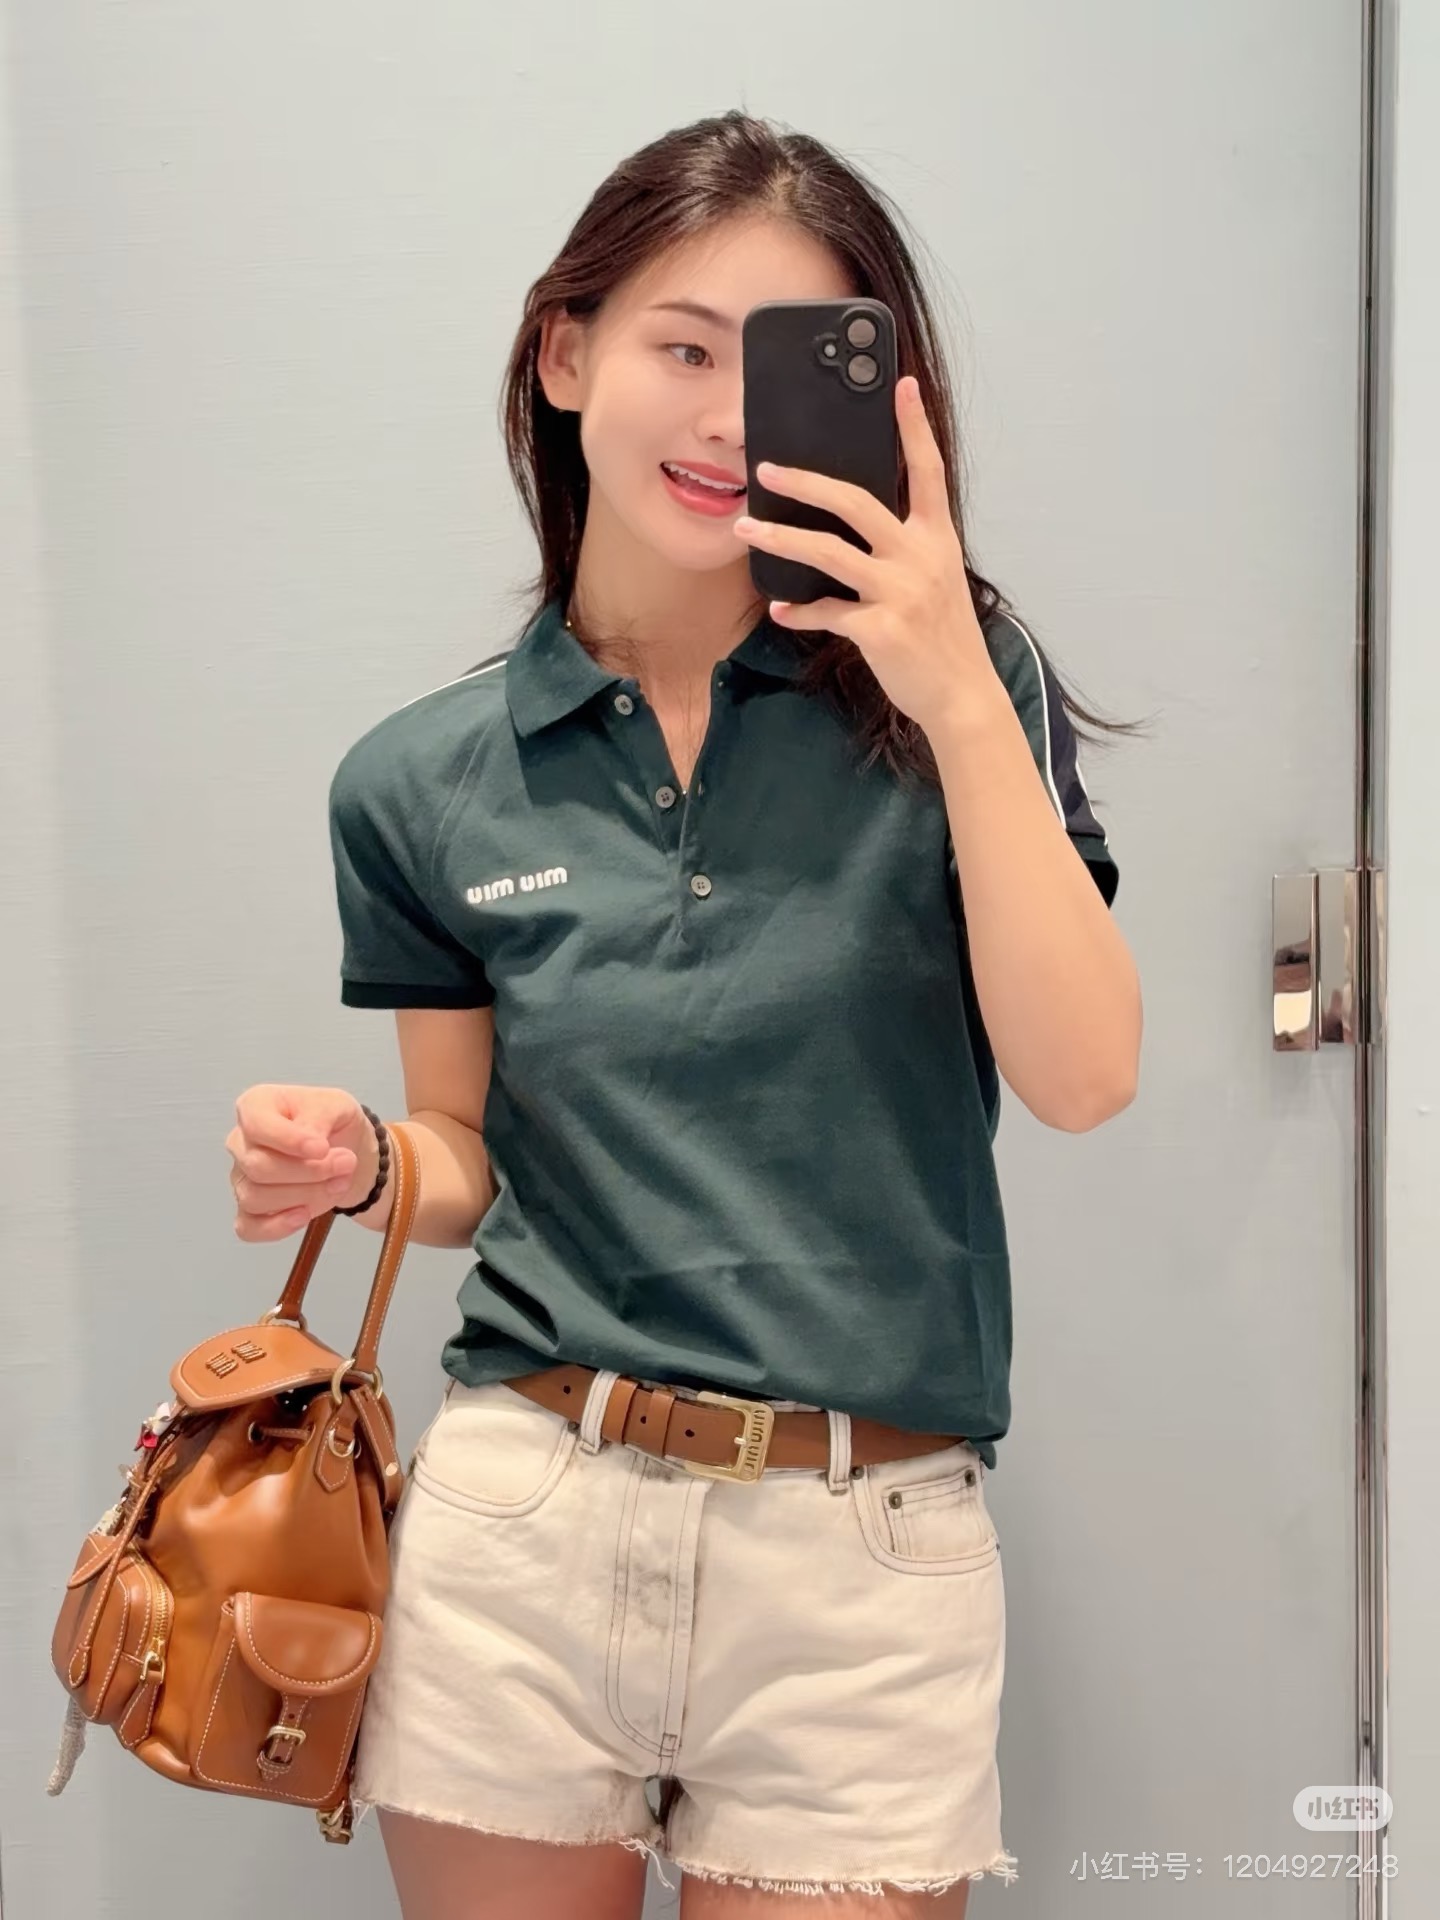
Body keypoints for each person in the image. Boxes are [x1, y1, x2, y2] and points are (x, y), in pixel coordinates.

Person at [226, 109, 1141, 1920]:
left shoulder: (958, 697)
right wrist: (361, 1165)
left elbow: (1086, 1075)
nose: (727, 418)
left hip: (857, 1559)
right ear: (566, 355)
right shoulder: (418, 779)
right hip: (522, 1525)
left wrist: (954, 684)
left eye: (785, 361)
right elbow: (468, 1154)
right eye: (684, 347)